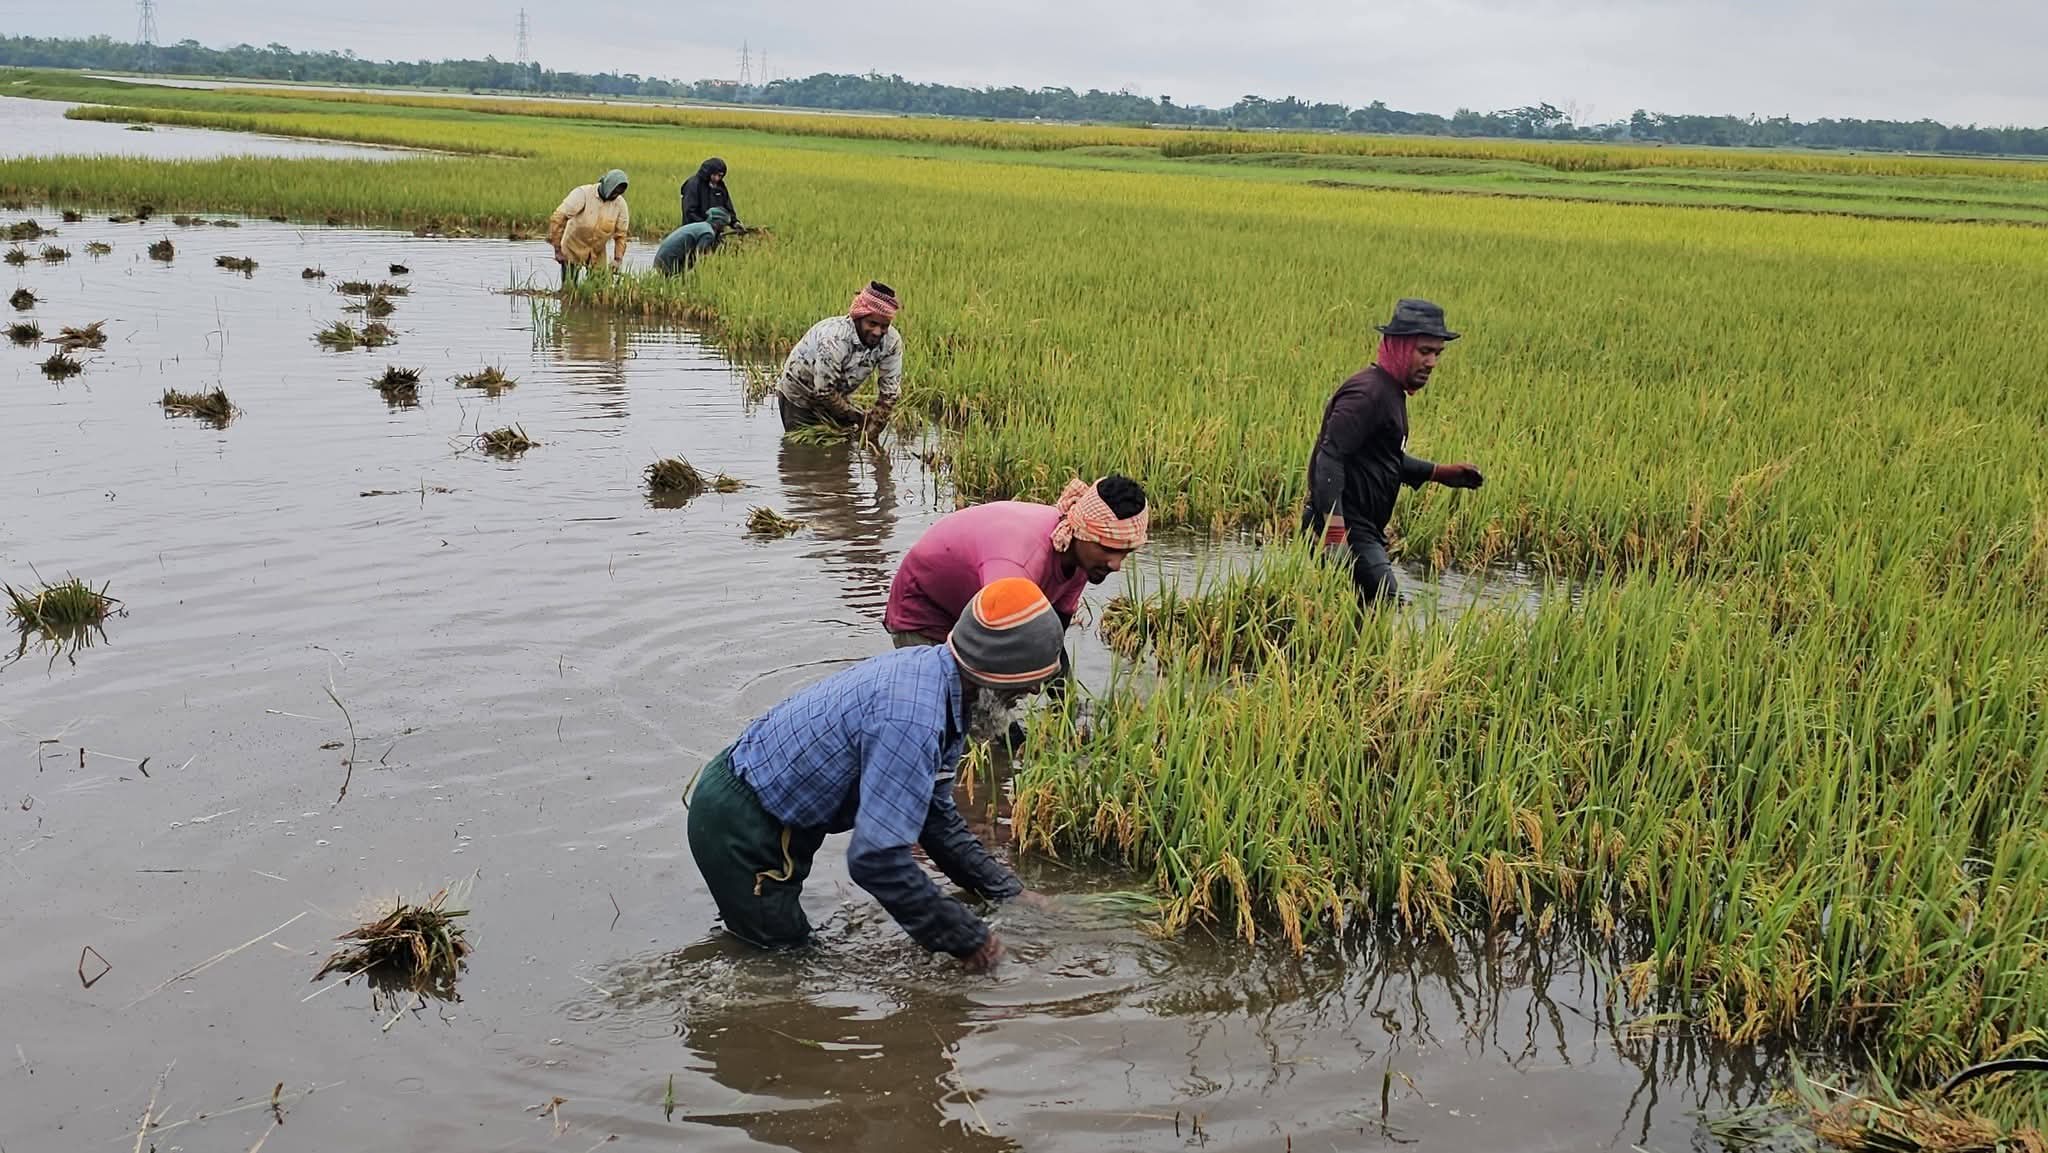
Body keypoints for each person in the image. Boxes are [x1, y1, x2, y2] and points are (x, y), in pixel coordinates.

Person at [687, 577, 1066, 971]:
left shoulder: (936, 681)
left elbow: (933, 818)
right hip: (744, 828)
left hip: (756, 803)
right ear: (996, 674)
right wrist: (967, 939)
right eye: (1028, 683)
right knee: (784, 965)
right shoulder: (912, 719)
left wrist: (1008, 892)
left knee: (788, 960)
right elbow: (876, 859)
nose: (1032, 693)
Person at [1303, 298, 1484, 604]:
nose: (1432, 363)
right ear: (1398, 346)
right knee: (1387, 605)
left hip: (1360, 529)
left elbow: (1382, 459)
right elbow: (1328, 459)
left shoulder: (1390, 392)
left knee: (1362, 611)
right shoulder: (1368, 395)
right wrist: (1335, 536)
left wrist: (1440, 473)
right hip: (1346, 528)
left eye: (1437, 353)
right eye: (1424, 351)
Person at [884, 476, 1150, 648]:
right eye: (1108, 549)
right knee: (950, 705)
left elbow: (1051, 642)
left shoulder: (1081, 557)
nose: (1116, 565)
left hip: (975, 606)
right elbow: (994, 643)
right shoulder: (1020, 561)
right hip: (924, 613)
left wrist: (1064, 708)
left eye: (1125, 553)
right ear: (1081, 533)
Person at [774, 282, 904, 433]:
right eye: (872, 323)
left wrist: (872, 429)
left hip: (836, 394)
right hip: (799, 394)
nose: (877, 332)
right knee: (802, 446)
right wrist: (857, 417)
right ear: (859, 318)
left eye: (884, 326)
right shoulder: (835, 339)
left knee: (845, 442)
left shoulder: (891, 341)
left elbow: (890, 393)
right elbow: (824, 391)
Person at [548, 169, 631, 287]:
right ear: (607, 185)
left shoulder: (620, 205)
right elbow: (558, 218)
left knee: (598, 287)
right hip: (573, 247)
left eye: (619, 193)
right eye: (614, 191)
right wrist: (557, 250)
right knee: (569, 287)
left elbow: (621, 235)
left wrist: (618, 259)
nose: (615, 195)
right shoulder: (583, 194)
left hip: (597, 251)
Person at [652, 207, 733, 275]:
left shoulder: (702, 226)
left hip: (660, 259)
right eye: (724, 225)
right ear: (719, 223)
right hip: (669, 262)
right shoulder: (708, 234)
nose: (724, 229)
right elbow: (700, 255)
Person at [680, 157, 740, 228]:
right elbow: (689, 212)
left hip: (713, 229)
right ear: (708, 173)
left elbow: (727, 206)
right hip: (694, 229)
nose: (717, 178)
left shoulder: (720, 186)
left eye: (720, 176)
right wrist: (706, 225)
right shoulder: (693, 184)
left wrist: (734, 222)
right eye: (714, 175)